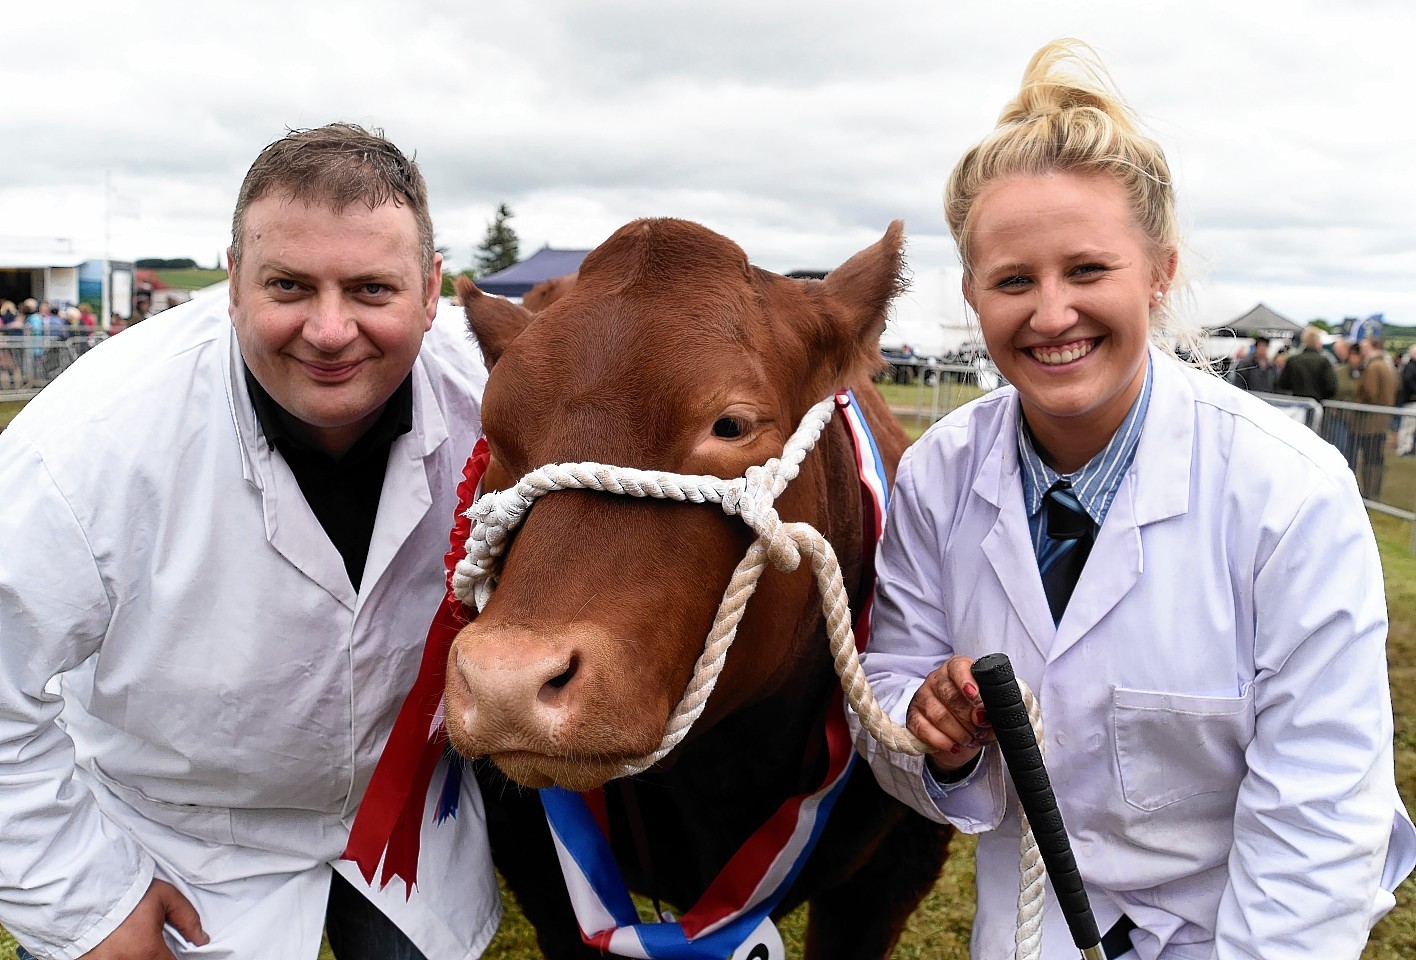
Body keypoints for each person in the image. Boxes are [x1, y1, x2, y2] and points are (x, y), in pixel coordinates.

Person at [852, 39, 1415, 960]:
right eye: (1013, 281)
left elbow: (1319, 822)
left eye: (1087, 270)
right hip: (1026, 935)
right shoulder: (938, 477)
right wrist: (933, 732)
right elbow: (886, 701)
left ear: (1158, 272)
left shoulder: (1289, 495)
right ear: (971, 295)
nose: (1049, 313)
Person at [0, 124, 501, 959]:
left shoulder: (495, 401)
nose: (330, 330)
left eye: (373, 289)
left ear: (431, 288)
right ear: (232, 283)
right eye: (289, 286)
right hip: (179, 837)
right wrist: (86, 903)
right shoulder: (87, 447)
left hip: (408, 820)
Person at [1354, 334, 1398, 497]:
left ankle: (1369, 493)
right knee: (1376, 457)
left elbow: (1370, 393)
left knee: (1370, 458)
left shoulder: (1373, 366)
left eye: (1365, 346)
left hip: (1371, 420)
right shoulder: (1386, 364)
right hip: (1381, 419)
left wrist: (1357, 401)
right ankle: (1374, 492)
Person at [1276, 325, 1336, 403]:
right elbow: (1331, 387)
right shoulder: (1323, 362)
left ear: (1304, 340)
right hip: (1317, 403)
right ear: (1317, 342)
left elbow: (1282, 384)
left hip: (1297, 403)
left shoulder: (1293, 360)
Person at [1396, 344, 1416, 456]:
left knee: (1409, 426)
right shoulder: (1410, 367)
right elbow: (1408, 381)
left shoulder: (1411, 366)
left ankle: (1407, 447)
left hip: (1410, 400)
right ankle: (1403, 449)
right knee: (1407, 426)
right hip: (1410, 401)